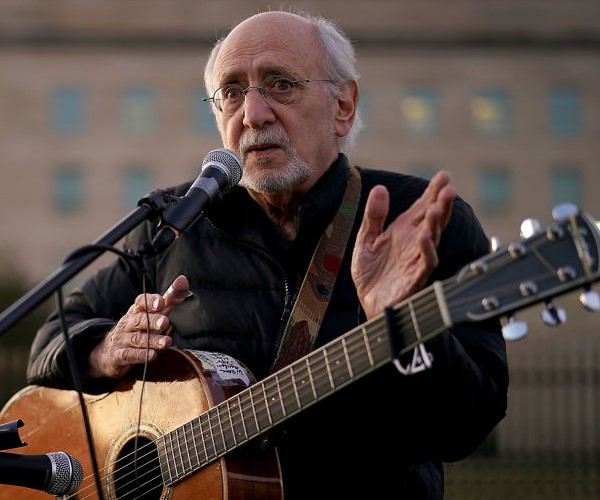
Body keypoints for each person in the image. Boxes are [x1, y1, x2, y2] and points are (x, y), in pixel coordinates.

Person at [26, 9, 508, 499]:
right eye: (232, 92)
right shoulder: (172, 224)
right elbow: (50, 338)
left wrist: (404, 326)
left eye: (280, 84)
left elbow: (465, 429)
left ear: (343, 105)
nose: (253, 114)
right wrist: (104, 350)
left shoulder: (420, 223)